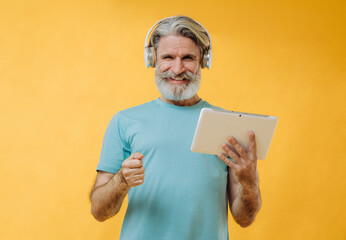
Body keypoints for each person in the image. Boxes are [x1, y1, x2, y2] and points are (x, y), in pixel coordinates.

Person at [90, 16, 262, 240]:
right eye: (168, 57)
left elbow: (245, 219)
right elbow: (99, 211)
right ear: (152, 59)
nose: (178, 68)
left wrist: (249, 182)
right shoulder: (125, 121)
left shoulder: (227, 124)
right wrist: (121, 180)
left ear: (204, 60)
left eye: (188, 58)